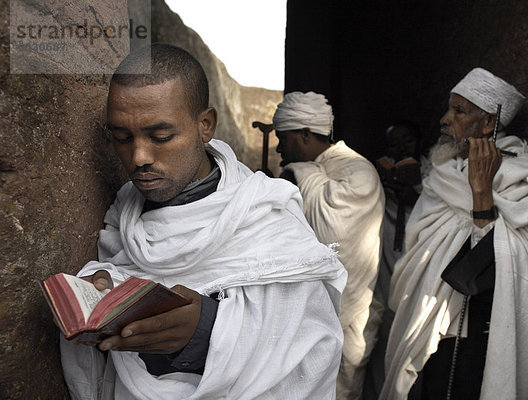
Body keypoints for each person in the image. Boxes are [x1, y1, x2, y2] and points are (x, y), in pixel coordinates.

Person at [58, 43, 347, 400]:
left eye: (161, 137)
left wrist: (207, 331)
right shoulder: (123, 211)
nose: (139, 157)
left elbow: (313, 349)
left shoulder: (266, 217)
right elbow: (122, 268)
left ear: (205, 125)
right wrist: (103, 286)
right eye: (121, 138)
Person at [380, 68, 528, 400]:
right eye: (449, 109)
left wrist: (481, 195)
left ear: (489, 123)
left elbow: (518, 262)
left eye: (458, 111)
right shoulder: (443, 175)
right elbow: (420, 244)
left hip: (479, 329)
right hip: (426, 320)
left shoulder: (521, 178)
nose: (444, 120)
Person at [272, 91, 385, 400]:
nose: (280, 148)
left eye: (284, 138)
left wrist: (300, 175)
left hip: (349, 317)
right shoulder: (311, 172)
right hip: (302, 316)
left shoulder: (357, 171)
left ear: (306, 134)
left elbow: (336, 234)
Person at [364, 121, 423, 399]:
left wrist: (415, 195)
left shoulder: (435, 179)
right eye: (393, 144)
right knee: (383, 338)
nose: (400, 149)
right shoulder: (377, 181)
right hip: (384, 268)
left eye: (407, 141)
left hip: (416, 272)